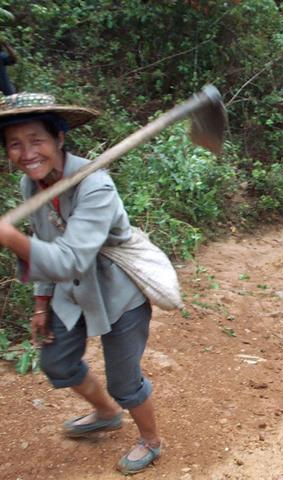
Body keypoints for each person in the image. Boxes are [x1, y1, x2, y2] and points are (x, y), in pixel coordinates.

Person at [0, 92, 162, 474]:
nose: (27, 153)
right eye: (14, 145)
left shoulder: (96, 186)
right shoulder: (31, 186)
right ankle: (106, 413)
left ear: (59, 138)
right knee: (56, 361)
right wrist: (41, 302)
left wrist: (8, 236)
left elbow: (71, 256)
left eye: (36, 140)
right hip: (69, 289)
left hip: (118, 292)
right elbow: (45, 244)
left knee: (125, 382)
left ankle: (151, 439)